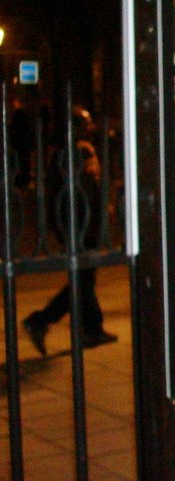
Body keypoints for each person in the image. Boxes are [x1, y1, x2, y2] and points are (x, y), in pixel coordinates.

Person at [23, 108, 117, 354]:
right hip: (80, 224)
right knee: (82, 279)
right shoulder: (78, 150)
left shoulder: (63, 151)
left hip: (75, 222)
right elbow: (85, 189)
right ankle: (42, 321)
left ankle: (91, 328)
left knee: (84, 278)